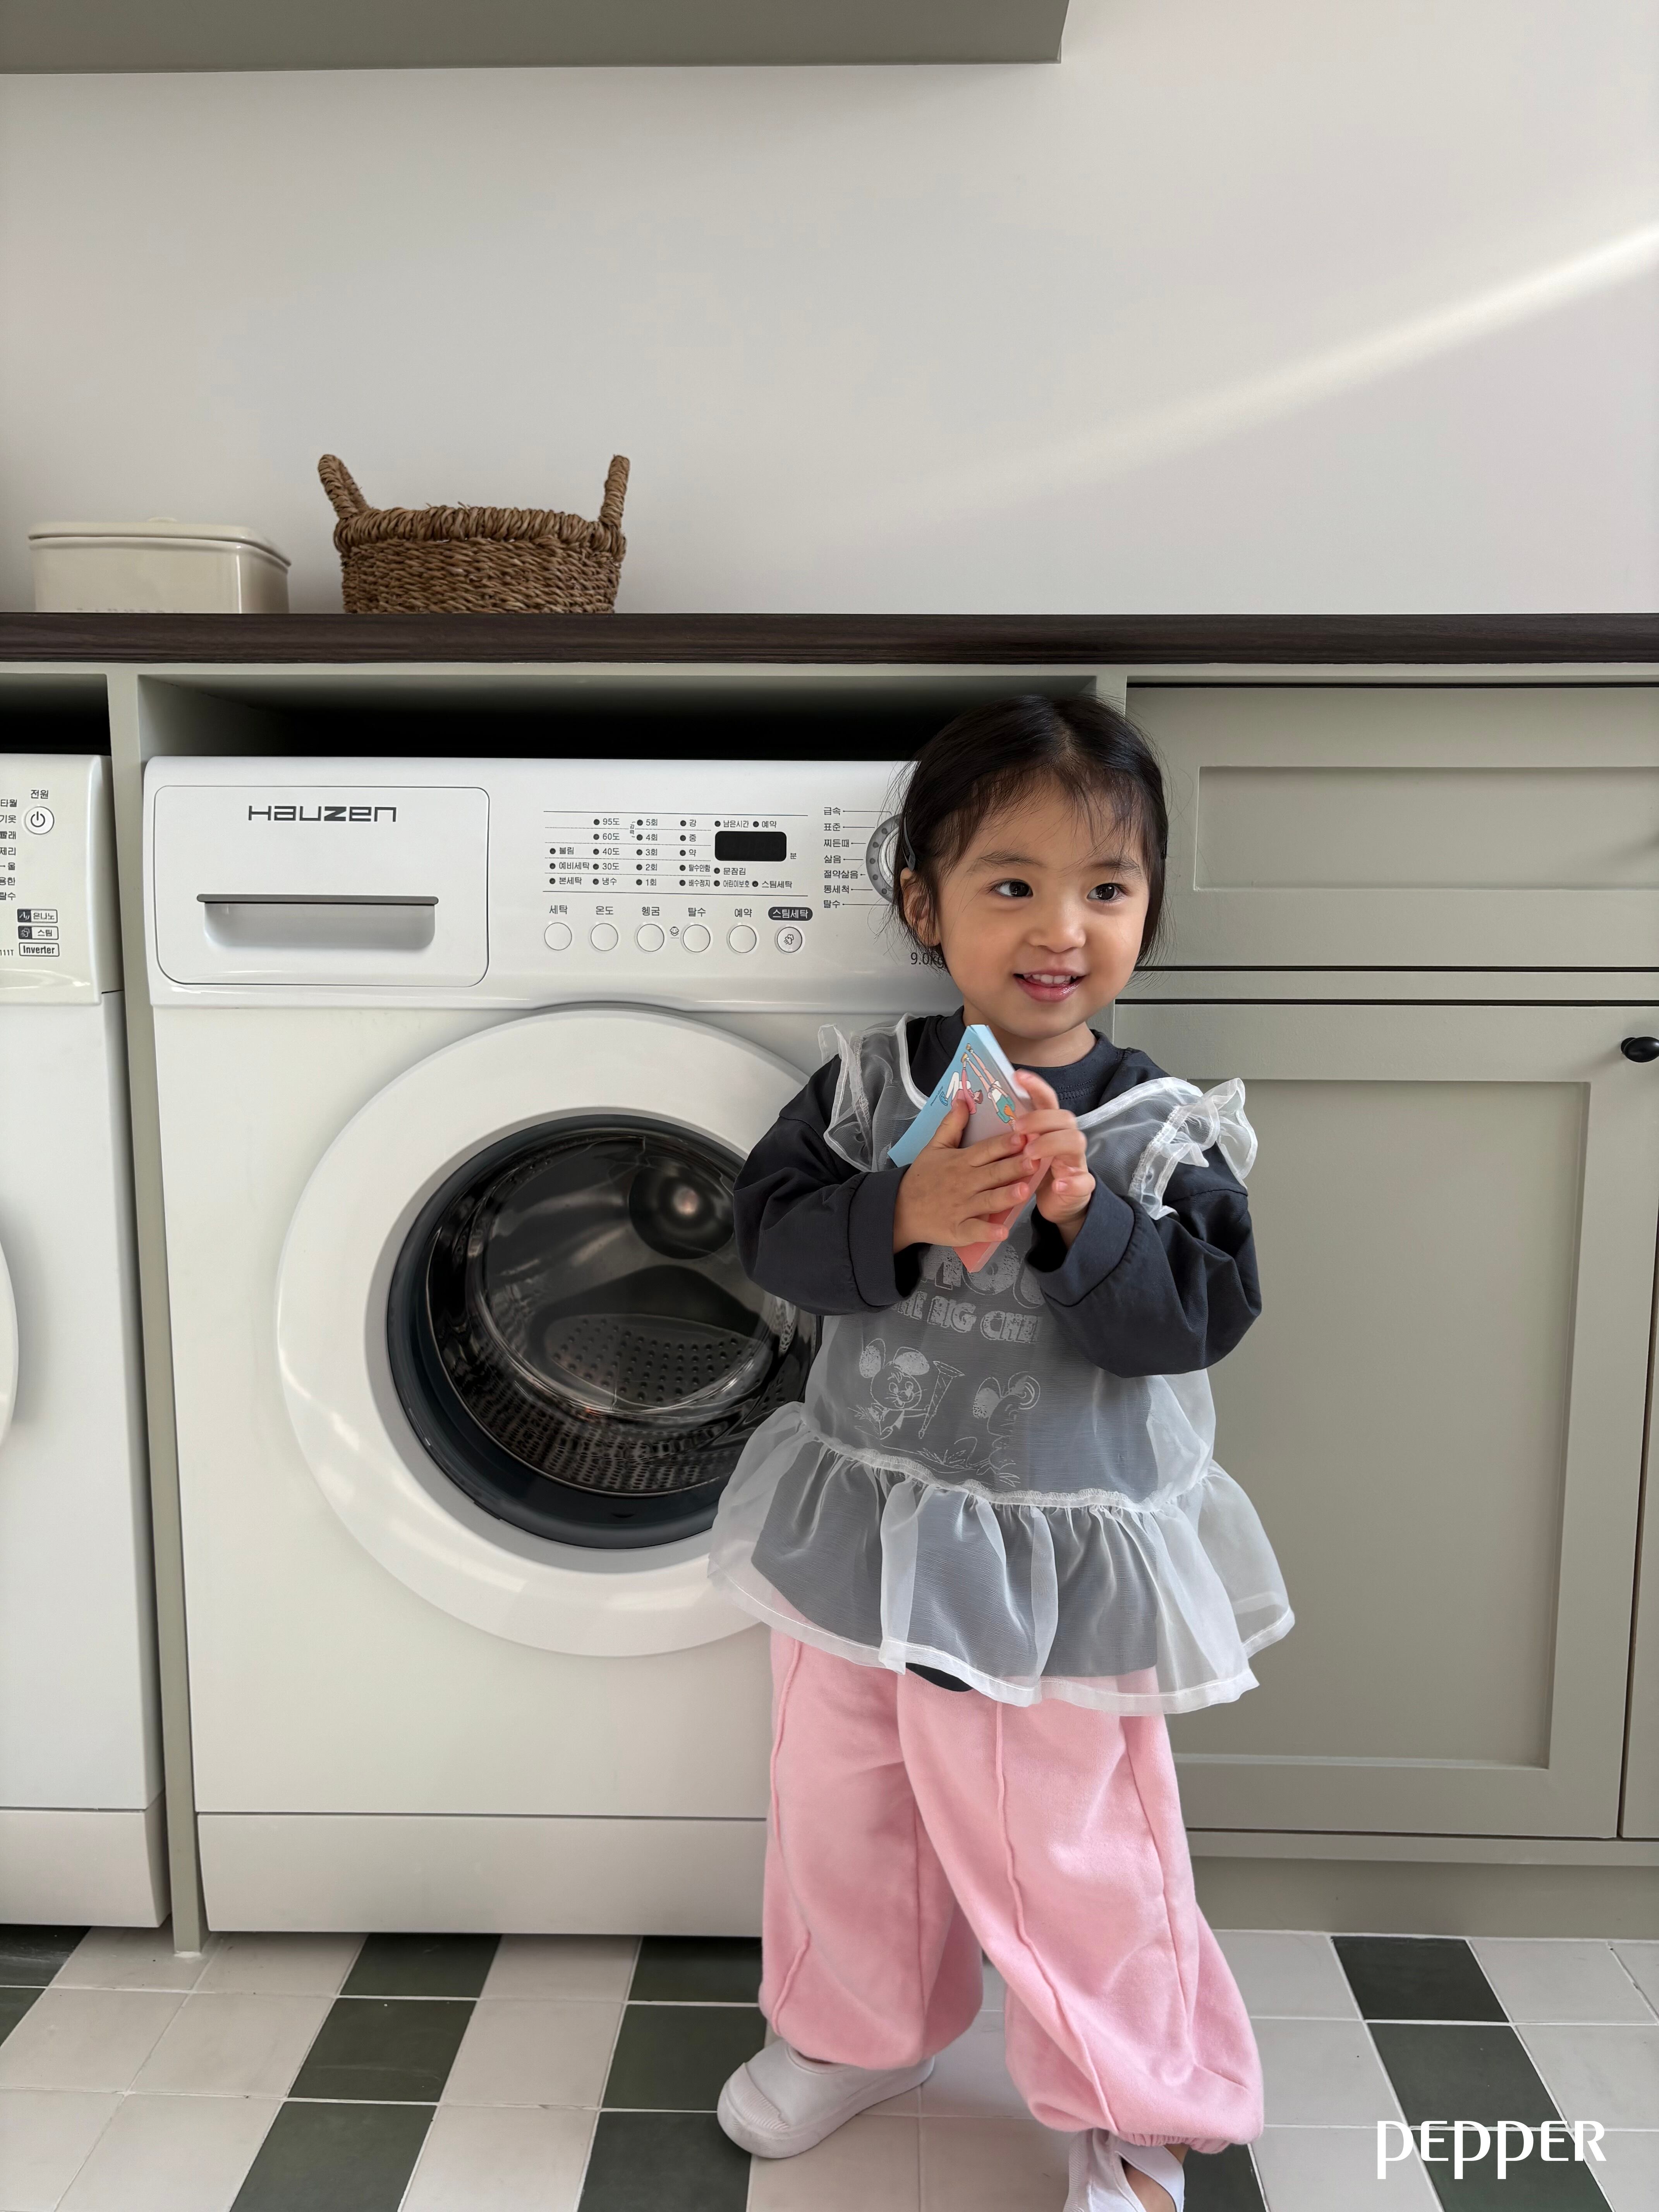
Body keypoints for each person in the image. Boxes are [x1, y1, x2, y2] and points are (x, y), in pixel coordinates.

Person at [707, 694, 1292, 2212]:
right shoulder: (867, 1093)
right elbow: (769, 1237)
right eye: (1011, 883)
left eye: (1106, 887)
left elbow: (1196, 1320)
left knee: (1074, 1849)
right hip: (861, 1530)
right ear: (926, 906)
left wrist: (1086, 1215)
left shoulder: (1163, 1130)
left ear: (1149, 909)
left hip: (1058, 1571)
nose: (1060, 928)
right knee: (843, 1807)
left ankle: (1133, 2103)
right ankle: (855, 2033)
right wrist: (897, 1210)